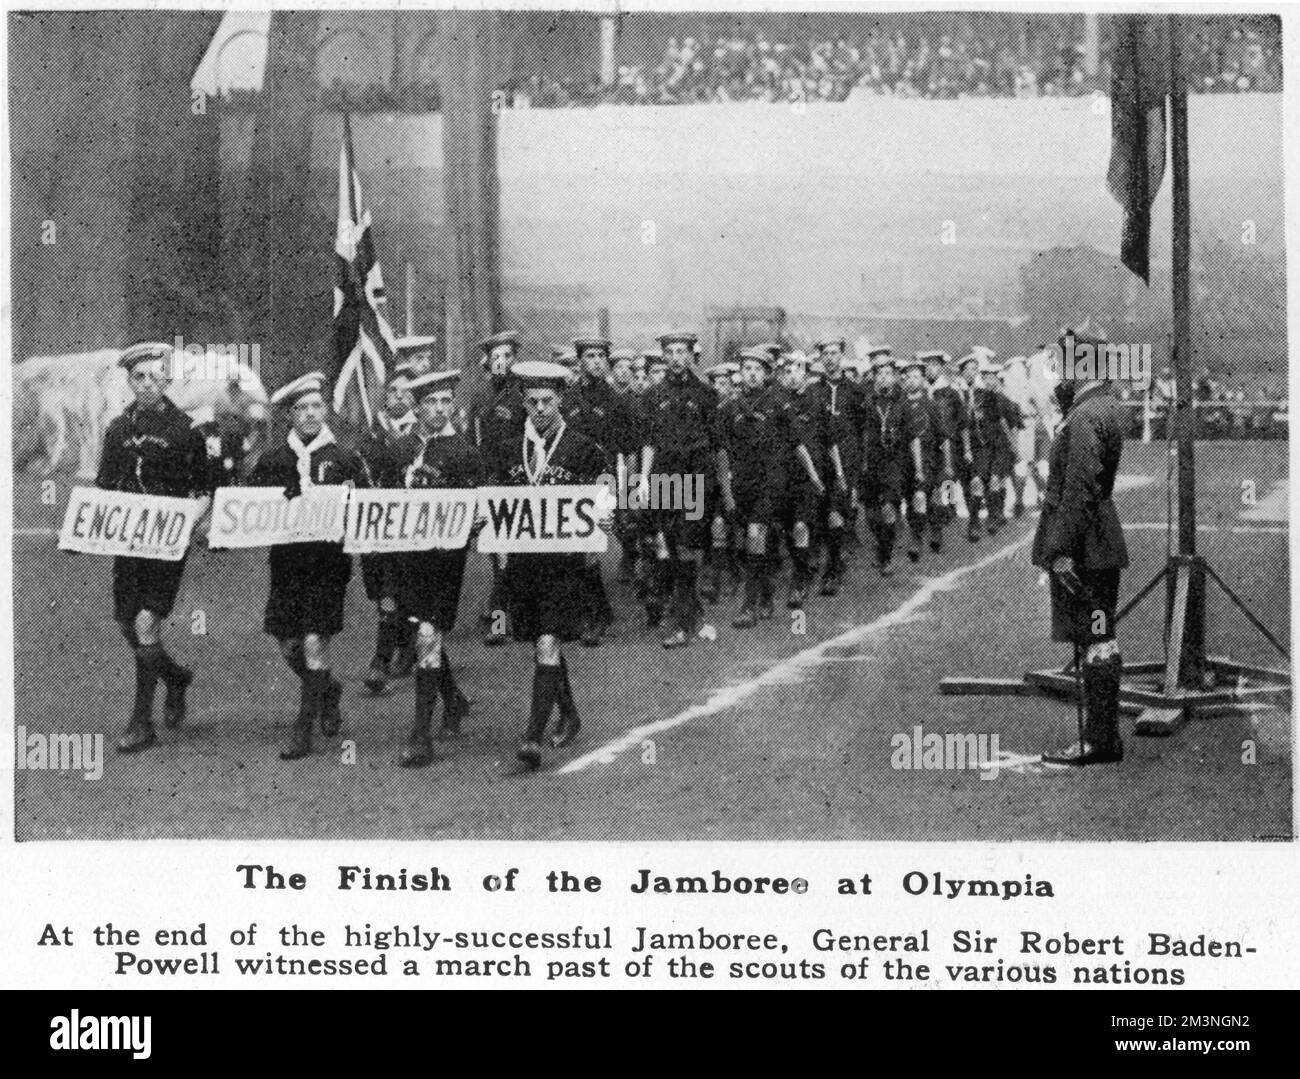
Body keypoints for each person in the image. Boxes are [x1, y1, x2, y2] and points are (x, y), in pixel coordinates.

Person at [98, 342, 218, 754]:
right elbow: (105, 489)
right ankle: (176, 677)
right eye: (138, 378)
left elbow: (203, 489)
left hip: (167, 543)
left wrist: (187, 524)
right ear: (130, 382)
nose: (146, 384)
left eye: (153, 376)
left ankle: (141, 722)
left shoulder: (186, 431)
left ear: (167, 379)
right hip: (128, 540)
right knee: (129, 625)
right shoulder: (117, 429)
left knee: (148, 621)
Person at [495, 361, 608, 770]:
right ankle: (571, 714)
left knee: (548, 641)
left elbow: (605, 487)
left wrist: (602, 523)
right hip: (524, 562)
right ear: (524, 403)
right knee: (539, 642)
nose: (540, 408)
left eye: (547, 400)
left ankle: (531, 738)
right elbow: (496, 500)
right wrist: (499, 545)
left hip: (564, 563)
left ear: (560, 400)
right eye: (532, 402)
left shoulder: (581, 446)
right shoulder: (509, 448)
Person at [250, 372, 363, 760]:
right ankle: (327, 690)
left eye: (317, 406)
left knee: (315, 641)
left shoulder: (344, 458)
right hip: (287, 564)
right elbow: (247, 505)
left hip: (328, 564)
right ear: (290, 416)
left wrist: (350, 503)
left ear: (325, 410)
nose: (311, 414)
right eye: (302, 408)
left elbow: (368, 509)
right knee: (289, 644)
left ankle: (304, 727)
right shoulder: (274, 459)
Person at [1032, 336, 1129, 766]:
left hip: (1086, 545)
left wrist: (1063, 550)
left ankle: (1097, 740)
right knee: (1099, 635)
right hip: (1099, 540)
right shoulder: (1100, 406)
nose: (1059, 369)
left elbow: (1079, 491)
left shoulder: (1086, 415)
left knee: (1094, 637)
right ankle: (1101, 735)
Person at [388, 369, 481, 766]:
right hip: (407, 556)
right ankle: (454, 699)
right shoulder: (399, 448)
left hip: (444, 559)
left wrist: (474, 520)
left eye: (446, 401)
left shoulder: (464, 452)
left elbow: (479, 505)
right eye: (431, 402)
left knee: (428, 633)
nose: (440, 409)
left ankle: (420, 733)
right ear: (416, 405)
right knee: (418, 632)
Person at [639, 329, 718, 648]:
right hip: (664, 478)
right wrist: (643, 479)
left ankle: (682, 623)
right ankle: (689, 603)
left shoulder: (706, 395)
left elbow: (717, 446)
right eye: (669, 352)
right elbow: (648, 442)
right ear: (663, 355)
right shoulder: (652, 395)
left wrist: (720, 491)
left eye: (681, 352)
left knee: (687, 545)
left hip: (696, 478)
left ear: (690, 355)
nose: (675, 358)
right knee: (668, 547)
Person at [565, 336, 638, 646]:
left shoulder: (616, 401)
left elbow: (630, 451)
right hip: (570, 480)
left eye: (599, 356)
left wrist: (630, 492)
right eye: (589, 356)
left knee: (590, 546)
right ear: (580, 361)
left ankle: (595, 616)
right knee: (574, 549)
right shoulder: (566, 399)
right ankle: (596, 611)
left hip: (603, 481)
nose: (595, 361)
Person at [357, 363, 419, 694]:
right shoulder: (372, 431)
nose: (396, 396)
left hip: (409, 525)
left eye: (404, 391)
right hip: (377, 523)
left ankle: (380, 661)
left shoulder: (419, 433)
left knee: (394, 594)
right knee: (383, 591)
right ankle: (407, 645)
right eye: (392, 390)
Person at [714, 347, 785, 626]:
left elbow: (790, 446)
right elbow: (721, 451)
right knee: (748, 543)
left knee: (756, 536)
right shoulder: (729, 408)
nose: (752, 374)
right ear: (740, 374)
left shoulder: (777, 405)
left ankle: (749, 605)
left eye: (757, 369)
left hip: (768, 483)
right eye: (747, 369)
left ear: (766, 374)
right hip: (740, 483)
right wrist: (728, 489)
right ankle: (765, 590)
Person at [466, 329, 524, 645]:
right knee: (497, 555)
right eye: (495, 357)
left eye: (507, 357)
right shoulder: (480, 396)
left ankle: (502, 618)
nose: (501, 363)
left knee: (511, 556)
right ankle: (503, 613)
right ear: (487, 362)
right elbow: (472, 441)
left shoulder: (523, 395)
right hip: (489, 480)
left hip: (517, 482)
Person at [811, 335, 863, 595]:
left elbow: (864, 429)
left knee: (834, 515)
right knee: (818, 517)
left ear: (841, 355)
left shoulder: (855, 391)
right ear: (820, 358)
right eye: (825, 354)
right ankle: (826, 558)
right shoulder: (813, 390)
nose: (830, 358)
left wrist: (858, 465)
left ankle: (832, 570)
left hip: (846, 463)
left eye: (834, 353)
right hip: (819, 462)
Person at [859, 351, 911, 576]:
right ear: (873, 377)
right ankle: (881, 544)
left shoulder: (903, 402)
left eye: (888, 373)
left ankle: (886, 556)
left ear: (895, 377)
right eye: (879, 373)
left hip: (894, 464)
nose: (884, 378)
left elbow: (911, 436)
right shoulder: (866, 401)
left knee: (889, 509)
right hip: (870, 464)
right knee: (871, 515)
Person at [898, 355, 943, 562]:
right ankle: (923, 530)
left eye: (917, 376)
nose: (913, 380)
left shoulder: (931, 405)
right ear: (904, 380)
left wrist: (945, 465)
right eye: (909, 377)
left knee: (925, 497)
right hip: (905, 461)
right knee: (912, 500)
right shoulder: (899, 406)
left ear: (923, 380)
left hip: (929, 459)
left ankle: (920, 536)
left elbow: (943, 436)